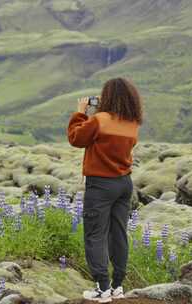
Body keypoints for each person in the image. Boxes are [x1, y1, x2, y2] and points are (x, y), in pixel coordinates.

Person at [67, 78, 143, 303]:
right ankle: (118, 286)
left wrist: (80, 112)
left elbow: (76, 138)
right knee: (118, 234)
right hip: (124, 183)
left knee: (95, 234)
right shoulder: (132, 123)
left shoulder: (99, 120)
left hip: (100, 185)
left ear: (107, 96)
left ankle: (103, 288)